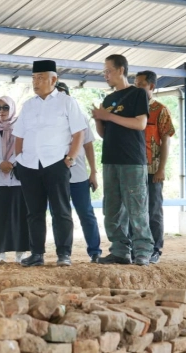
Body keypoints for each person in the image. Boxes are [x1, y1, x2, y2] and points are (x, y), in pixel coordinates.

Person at [13, 60, 87, 267]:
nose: (36, 82)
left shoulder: (67, 102)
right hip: (29, 165)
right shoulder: (28, 105)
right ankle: (36, 253)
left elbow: (79, 132)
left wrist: (70, 158)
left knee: (61, 210)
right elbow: (18, 135)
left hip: (56, 163)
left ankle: (64, 254)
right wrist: (19, 159)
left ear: (54, 79)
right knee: (34, 212)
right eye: (34, 78)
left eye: (41, 78)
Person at [91, 54, 154, 266]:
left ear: (120, 70)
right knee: (112, 208)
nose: (105, 75)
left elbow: (140, 124)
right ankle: (119, 250)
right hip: (110, 159)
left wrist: (108, 116)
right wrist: (99, 119)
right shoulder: (108, 100)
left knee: (136, 205)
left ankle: (143, 250)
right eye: (104, 72)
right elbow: (103, 134)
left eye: (108, 71)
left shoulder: (138, 94)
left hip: (132, 160)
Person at [54, 82, 102, 263]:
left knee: (86, 213)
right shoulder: (47, 120)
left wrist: (93, 173)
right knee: (60, 215)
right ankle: (64, 254)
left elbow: (89, 146)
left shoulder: (80, 117)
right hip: (56, 177)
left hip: (79, 175)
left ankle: (95, 251)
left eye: (63, 94)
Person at [0, 96, 30, 265]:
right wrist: (0, 163)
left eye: (5, 107)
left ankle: (20, 252)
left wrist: (11, 163)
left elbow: (24, 147)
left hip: (17, 178)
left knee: (19, 216)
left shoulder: (21, 128)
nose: (1, 111)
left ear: (12, 108)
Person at [133, 71, 175, 264]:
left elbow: (166, 141)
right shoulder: (131, 108)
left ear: (151, 86)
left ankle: (155, 249)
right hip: (132, 168)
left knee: (154, 209)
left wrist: (161, 169)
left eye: (140, 84)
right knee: (133, 209)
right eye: (135, 84)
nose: (137, 87)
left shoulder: (161, 110)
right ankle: (138, 248)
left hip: (153, 169)